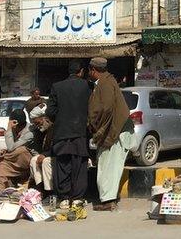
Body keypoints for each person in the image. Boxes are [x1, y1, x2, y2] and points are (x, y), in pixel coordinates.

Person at [88, 56, 135, 211]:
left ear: (93, 70)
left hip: (114, 131)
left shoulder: (105, 83)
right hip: (116, 129)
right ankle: (108, 198)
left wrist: (98, 127)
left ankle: (108, 201)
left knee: (108, 166)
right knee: (108, 166)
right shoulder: (107, 81)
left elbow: (106, 108)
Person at [45, 60, 91, 208]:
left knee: (62, 166)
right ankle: (77, 199)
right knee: (79, 165)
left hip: (61, 134)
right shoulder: (87, 86)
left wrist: (60, 119)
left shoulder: (57, 87)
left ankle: (64, 198)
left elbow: (50, 112)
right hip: (80, 133)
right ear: (81, 72)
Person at [0, 109, 34, 195]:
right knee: (1, 165)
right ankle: (1, 193)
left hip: (25, 160)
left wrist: (8, 129)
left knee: (20, 151)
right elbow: (12, 147)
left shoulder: (29, 132)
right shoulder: (15, 129)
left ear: (16, 123)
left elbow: (11, 147)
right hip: (14, 159)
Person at [28, 105, 54, 194]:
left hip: (56, 155)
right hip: (46, 154)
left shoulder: (54, 128)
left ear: (44, 118)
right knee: (33, 160)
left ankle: (49, 191)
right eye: (35, 124)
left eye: (38, 123)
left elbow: (57, 146)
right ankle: (40, 188)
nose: (38, 126)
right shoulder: (41, 131)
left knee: (46, 161)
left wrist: (45, 155)